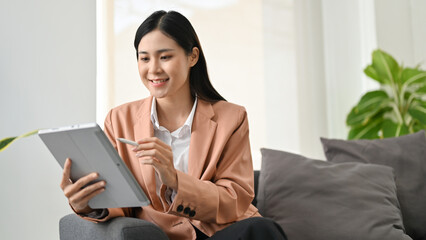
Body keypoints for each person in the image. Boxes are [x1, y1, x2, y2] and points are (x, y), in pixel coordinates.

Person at [60, 10, 287, 240]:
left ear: (192, 57)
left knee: (261, 229)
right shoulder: (119, 120)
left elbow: (234, 200)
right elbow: (123, 204)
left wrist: (175, 179)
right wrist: (88, 204)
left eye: (165, 57)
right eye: (144, 58)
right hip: (162, 236)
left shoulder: (232, 118)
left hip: (224, 233)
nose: (154, 69)